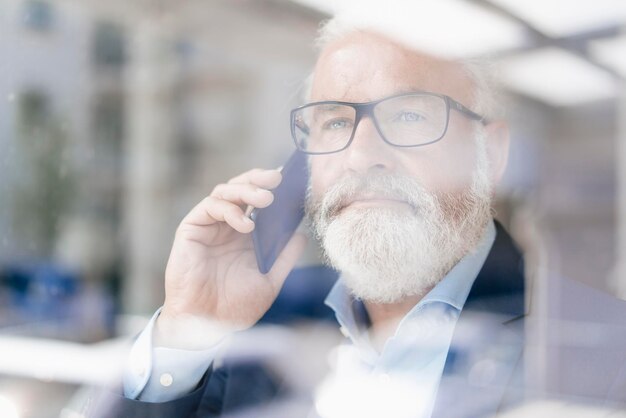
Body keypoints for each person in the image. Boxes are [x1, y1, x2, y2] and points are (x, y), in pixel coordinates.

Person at [89, 16, 626, 418]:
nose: (361, 154)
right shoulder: (256, 333)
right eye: (333, 122)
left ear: (494, 152)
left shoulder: (600, 347)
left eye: (409, 114)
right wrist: (188, 330)